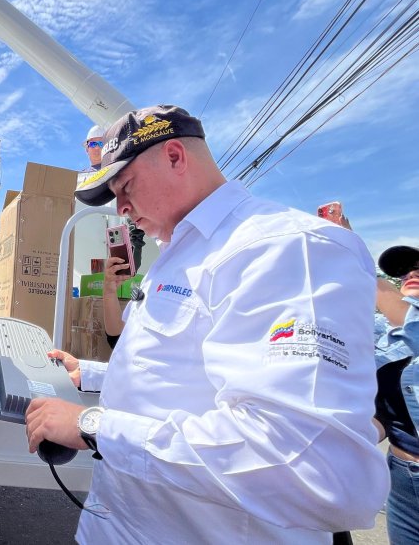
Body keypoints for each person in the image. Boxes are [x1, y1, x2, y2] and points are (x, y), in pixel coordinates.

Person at [25, 105, 389, 543]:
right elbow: (176, 373)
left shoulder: (287, 249)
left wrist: (94, 427)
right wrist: (93, 375)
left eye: (125, 186)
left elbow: (311, 469)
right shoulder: (175, 255)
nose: (121, 209)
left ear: (176, 156)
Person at [372, 245, 419, 544]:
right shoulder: (380, 330)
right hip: (402, 478)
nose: (412, 273)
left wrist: (352, 253)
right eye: (404, 270)